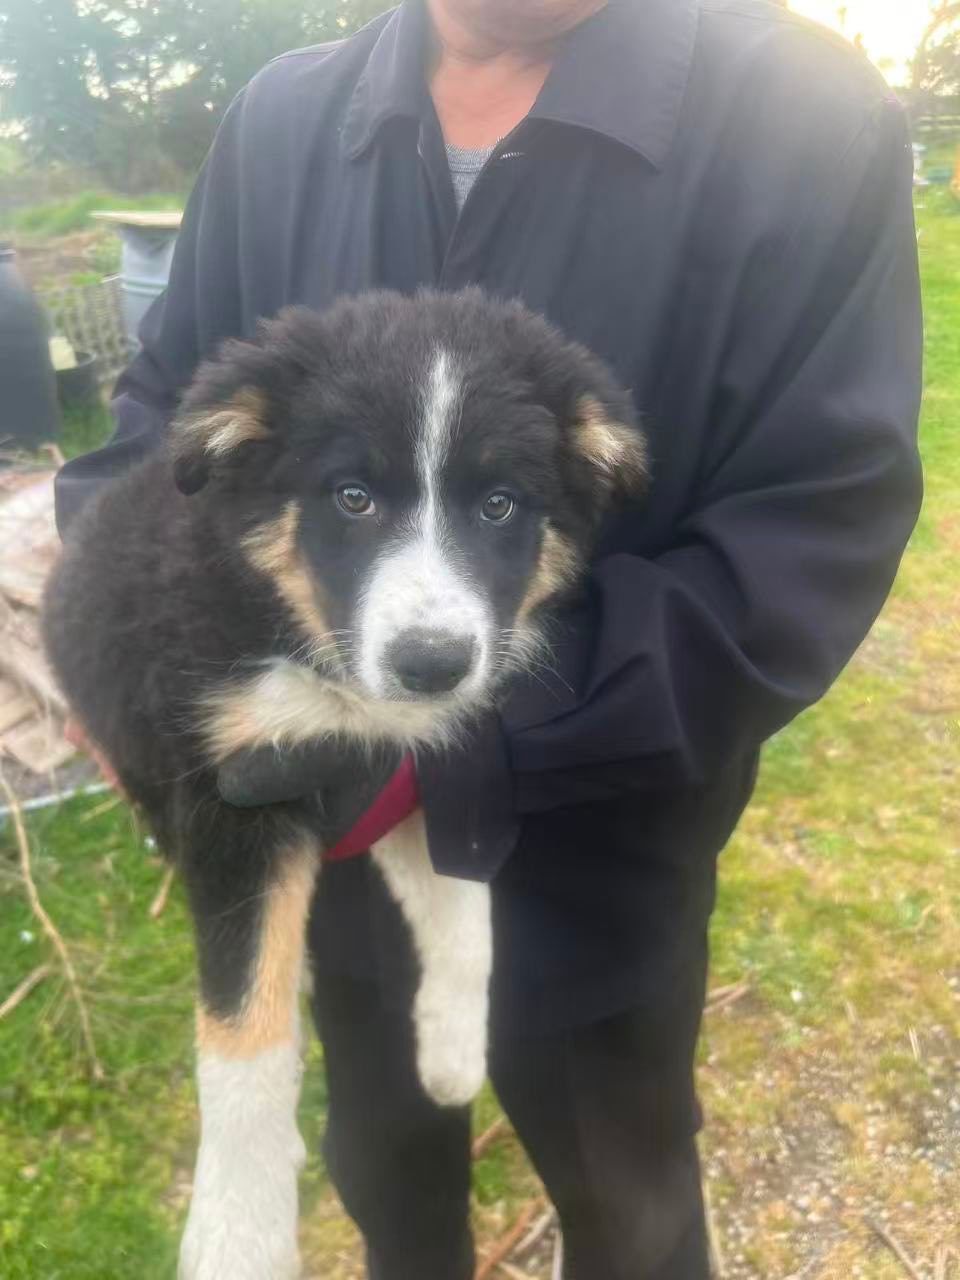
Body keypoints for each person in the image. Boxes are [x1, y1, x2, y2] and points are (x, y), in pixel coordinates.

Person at [56, 0, 922, 1276]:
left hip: (599, 852)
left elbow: (809, 535)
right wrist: (114, 648)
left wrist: (456, 743)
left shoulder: (801, 112)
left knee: (628, 1201)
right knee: (385, 1175)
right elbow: (159, 425)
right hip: (319, 857)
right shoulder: (286, 118)